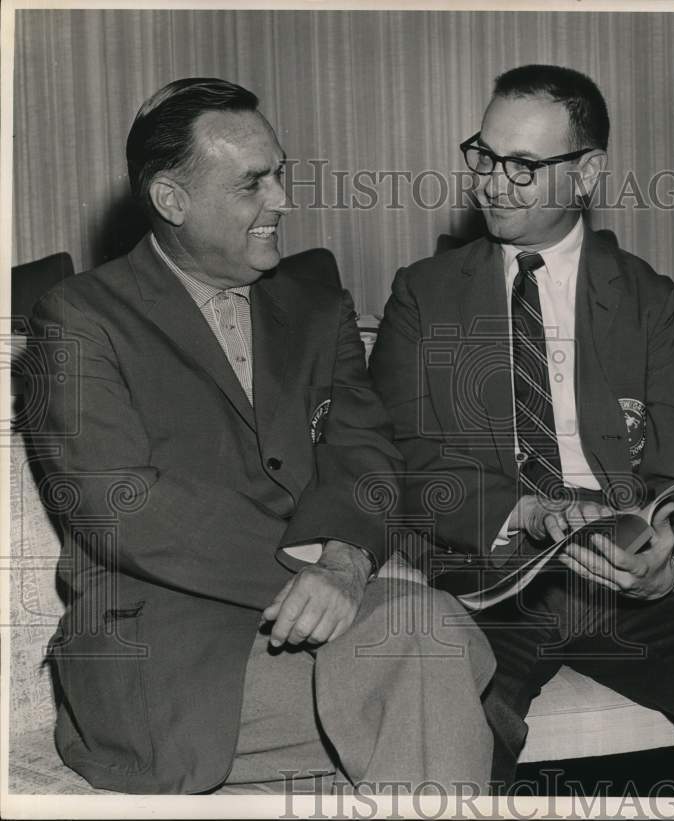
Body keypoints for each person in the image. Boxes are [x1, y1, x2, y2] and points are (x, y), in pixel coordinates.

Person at [26, 77, 494, 795]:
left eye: (281, 174)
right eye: (254, 184)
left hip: (328, 621)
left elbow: (364, 452)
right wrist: (308, 574)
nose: (282, 200)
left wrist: (344, 560)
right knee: (441, 651)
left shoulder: (315, 306)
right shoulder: (80, 319)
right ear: (172, 200)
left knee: (433, 642)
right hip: (165, 652)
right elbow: (125, 507)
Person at [370, 64, 674, 796]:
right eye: (483, 154)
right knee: (456, 715)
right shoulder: (423, 294)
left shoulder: (651, 299)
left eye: (521, 165)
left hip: (628, 572)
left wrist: (667, 560)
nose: (491, 183)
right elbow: (400, 459)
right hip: (493, 573)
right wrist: (529, 513)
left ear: (586, 173)